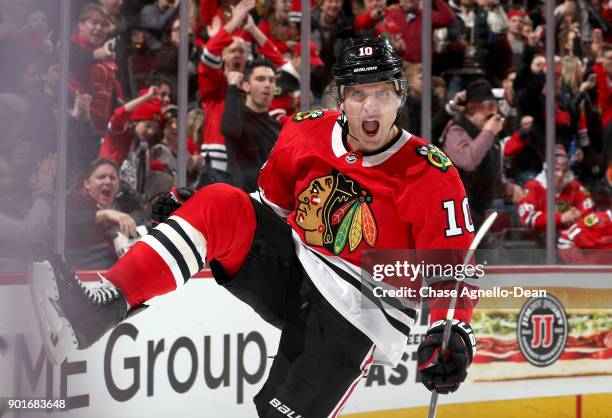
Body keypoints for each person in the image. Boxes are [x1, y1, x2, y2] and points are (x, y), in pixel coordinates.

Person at [32, 36, 477, 416]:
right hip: (295, 268)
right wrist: (202, 213)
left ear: (400, 95)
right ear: (341, 98)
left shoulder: (432, 175)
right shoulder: (306, 132)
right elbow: (268, 208)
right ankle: (99, 309)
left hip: (361, 311)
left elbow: (451, 269)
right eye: (358, 93)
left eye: (381, 92)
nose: (369, 106)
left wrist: (451, 330)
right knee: (222, 201)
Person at [65, 158, 148, 269]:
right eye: (101, 177)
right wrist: (104, 214)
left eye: (112, 178)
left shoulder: (129, 204)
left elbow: (142, 225)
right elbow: (68, 220)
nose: (108, 181)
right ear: (87, 183)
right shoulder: (73, 203)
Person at [221, 58, 281, 192]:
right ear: (246, 86)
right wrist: (232, 87)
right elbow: (229, 130)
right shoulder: (237, 118)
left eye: (271, 80)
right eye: (260, 79)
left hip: (271, 201)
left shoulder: (277, 126)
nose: (267, 84)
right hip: (242, 198)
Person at [517, 146, 595, 233]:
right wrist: (560, 218)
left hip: (571, 238)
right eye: (556, 169)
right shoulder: (532, 187)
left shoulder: (574, 185)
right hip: (542, 240)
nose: (560, 175)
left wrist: (579, 215)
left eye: (564, 171)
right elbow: (527, 218)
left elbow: (590, 211)